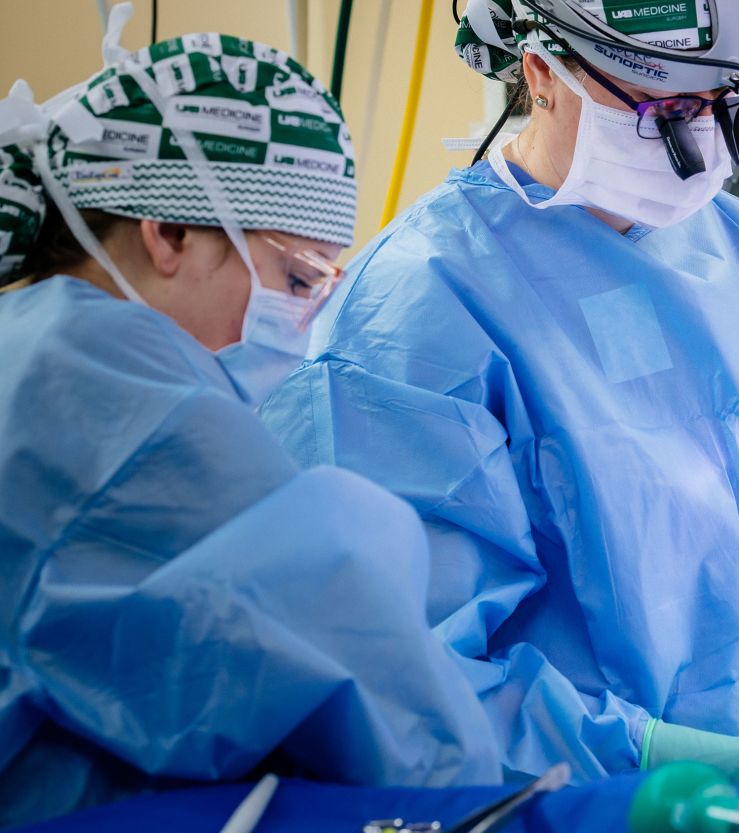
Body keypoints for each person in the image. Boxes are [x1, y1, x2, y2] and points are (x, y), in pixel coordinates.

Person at [260, 0, 739, 793]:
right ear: (541, 70)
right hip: (581, 807)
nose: (696, 138)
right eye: (661, 109)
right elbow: (412, 673)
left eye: (718, 107)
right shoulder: (422, 304)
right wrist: (671, 761)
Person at [0, 21, 499, 827]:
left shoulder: (35, 344)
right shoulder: (107, 385)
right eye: (296, 275)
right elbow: (363, 671)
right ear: (170, 233)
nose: (304, 317)